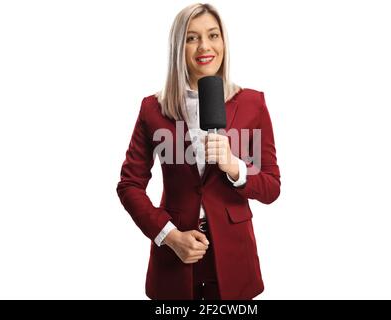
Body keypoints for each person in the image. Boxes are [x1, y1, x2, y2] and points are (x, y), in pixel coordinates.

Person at [116, 3, 280, 300]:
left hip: (234, 258)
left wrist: (235, 167)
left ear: (223, 41)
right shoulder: (153, 109)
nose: (205, 46)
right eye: (192, 38)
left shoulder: (253, 104)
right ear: (179, 46)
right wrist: (169, 236)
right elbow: (129, 186)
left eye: (213, 35)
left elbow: (271, 187)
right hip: (175, 256)